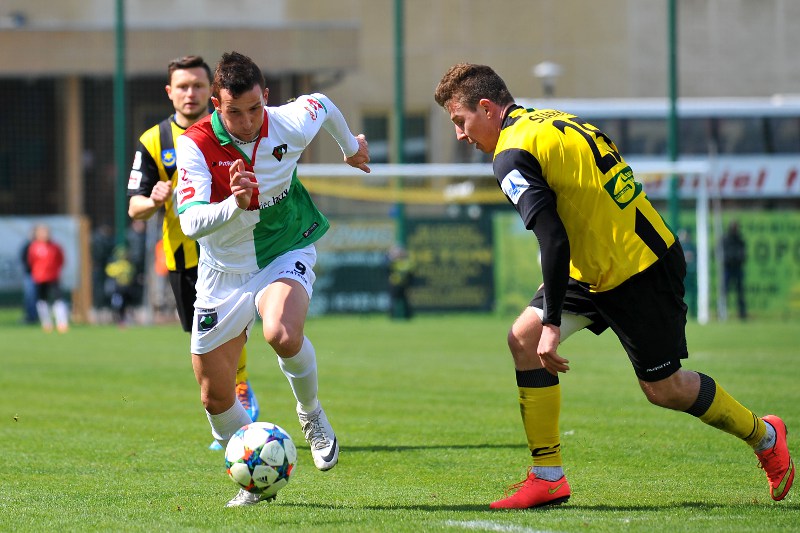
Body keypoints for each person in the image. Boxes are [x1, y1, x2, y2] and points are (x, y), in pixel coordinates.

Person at [434, 63, 794, 509]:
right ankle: (548, 477)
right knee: (522, 339)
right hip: (596, 266)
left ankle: (765, 435)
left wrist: (552, 323)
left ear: (487, 108)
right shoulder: (554, 121)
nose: (460, 135)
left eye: (460, 121)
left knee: (664, 389)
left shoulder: (510, 154)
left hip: (640, 269)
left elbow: (552, 237)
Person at [175, 51, 370, 507]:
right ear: (216, 106)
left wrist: (349, 148)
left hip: (285, 248)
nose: (247, 122)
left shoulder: (287, 122)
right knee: (214, 396)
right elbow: (190, 222)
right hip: (222, 273)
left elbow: (324, 104)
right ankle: (256, 477)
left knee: (281, 332)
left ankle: (311, 413)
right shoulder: (195, 144)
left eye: (254, 108)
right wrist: (235, 204)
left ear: (266, 96)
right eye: (234, 112)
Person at [127, 55, 261, 447]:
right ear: (170, 92)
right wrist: (153, 199)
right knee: (203, 338)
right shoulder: (154, 141)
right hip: (185, 256)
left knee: (232, 329)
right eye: (183, 86)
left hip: (230, 249)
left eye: (199, 86)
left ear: (211, 92)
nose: (191, 93)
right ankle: (229, 400)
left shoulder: (231, 128)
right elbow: (134, 206)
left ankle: (239, 394)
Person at [27, 224, 69, 333]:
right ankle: (46, 323)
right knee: (42, 300)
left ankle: (62, 323)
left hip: (53, 277)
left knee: (58, 299)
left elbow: (61, 260)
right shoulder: (34, 247)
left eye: (46, 232)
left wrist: (56, 271)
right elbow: (31, 261)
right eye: (42, 232)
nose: (45, 235)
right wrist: (37, 272)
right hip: (40, 278)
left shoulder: (55, 246)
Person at [722, 220, 747, 320]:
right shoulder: (726, 239)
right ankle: (722, 312)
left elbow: (743, 253)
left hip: (737, 268)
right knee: (725, 291)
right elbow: (723, 253)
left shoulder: (740, 240)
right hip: (728, 268)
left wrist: (738, 259)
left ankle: (742, 313)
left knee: (740, 292)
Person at [387, 244, 414, 320]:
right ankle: (392, 316)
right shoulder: (392, 262)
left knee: (405, 301)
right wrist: (391, 255)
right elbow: (385, 266)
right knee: (393, 301)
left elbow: (411, 273)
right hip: (394, 285)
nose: (399, 254)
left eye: (400, 252)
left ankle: (407, 316)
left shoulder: (407, 262)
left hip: (404, 285)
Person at [19, 231, 38, 324]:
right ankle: (30, 316)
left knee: (41, 298)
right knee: (30, 296)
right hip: (30, 275)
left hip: (43, 276)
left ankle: (41, 317)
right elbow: (24, 260)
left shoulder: (45, 245)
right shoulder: (28, 246)